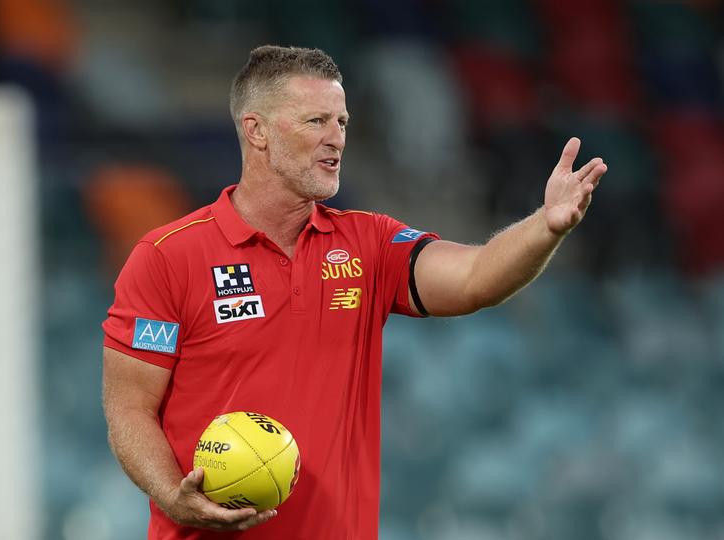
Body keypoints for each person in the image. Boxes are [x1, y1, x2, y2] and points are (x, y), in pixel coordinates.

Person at [101, 45, 607, 539]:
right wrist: (172, 494)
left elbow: (475, 278)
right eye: (315, 122)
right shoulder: (167, 257)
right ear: (256, 132)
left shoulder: (370, 243)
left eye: (341, 123)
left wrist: (545, 227)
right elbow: (129, 408)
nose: (336, 140)